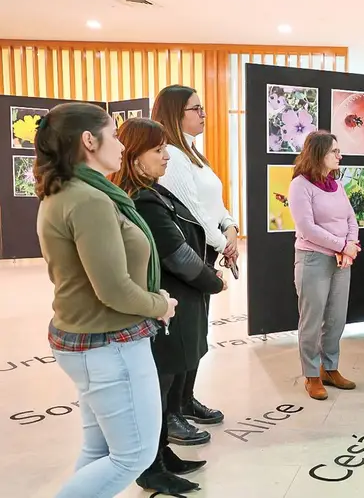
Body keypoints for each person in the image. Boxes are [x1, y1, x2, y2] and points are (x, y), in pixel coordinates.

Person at [33, 102, 178, 497]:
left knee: (100, 450)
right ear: (88, 141)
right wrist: (159, 305)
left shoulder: (72, 191)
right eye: (113, 134)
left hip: (90, 341)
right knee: (134, 455)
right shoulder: (89, 199)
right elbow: (113, 290)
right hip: (109, 343)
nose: (120, 143)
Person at [112, 118, 229, 494]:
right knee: (157, 391)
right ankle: (151, 466)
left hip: (180, 303)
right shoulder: (143, 199)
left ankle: (162, 454)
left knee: (168, 387)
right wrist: (213, 280)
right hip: (168, 306)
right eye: (157, 150)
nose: (166, 156)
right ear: (134, 156)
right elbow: (176, 254)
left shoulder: (153, 191)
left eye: (165, 148)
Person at [152, 84, 235, 438]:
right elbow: (194, 214)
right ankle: (171, 413)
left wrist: (231, 227)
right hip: (186, 257)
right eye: (195, 109)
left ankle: (185, 401)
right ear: (175, 113)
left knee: (197, 332)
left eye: (202, 108)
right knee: (181, 337)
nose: (203, 115)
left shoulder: (193, 154)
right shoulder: (170, 156)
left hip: (206, 252)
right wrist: (224, 242)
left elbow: (214, 203)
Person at [288, 131, 360, 400]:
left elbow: (351, 219)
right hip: (313, 259)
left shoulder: (336, 184)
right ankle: (311, 374)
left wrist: (349, 246)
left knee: (336, 318)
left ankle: (329, 368)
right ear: (319, 154)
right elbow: (307, 228)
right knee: (312, 320)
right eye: (335, 152)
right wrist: (341, 246)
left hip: (341, 260)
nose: (339, 156)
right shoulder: (300, 185)